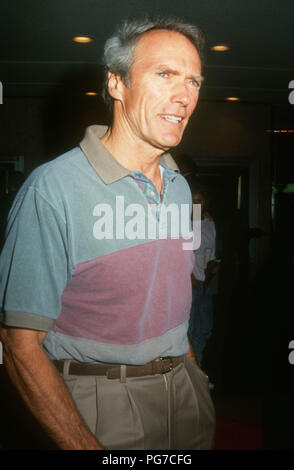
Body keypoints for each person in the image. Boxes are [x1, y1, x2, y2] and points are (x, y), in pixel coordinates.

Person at [0, 17, 215, 450]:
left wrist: (194, 375)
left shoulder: (178, 187)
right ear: (117, 83)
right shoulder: (53, 188)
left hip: (185, 393)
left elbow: (172, 300)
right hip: (103, 404)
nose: (184, 95)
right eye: (164, 74)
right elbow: (18, 341)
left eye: (193, 80)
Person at [188, 188, 220, 367]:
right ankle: (191, 373)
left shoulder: (210, 223)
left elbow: (214, 250)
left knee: (205, 329)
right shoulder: (184, 223)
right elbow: (180, 254)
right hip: (191, 283)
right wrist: (188, 274)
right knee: (190, 330)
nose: (196, 204)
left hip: (206, 281)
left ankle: (197, 368)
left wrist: (216, 263)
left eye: (199, 200)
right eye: (193, 200)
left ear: (205, 202)